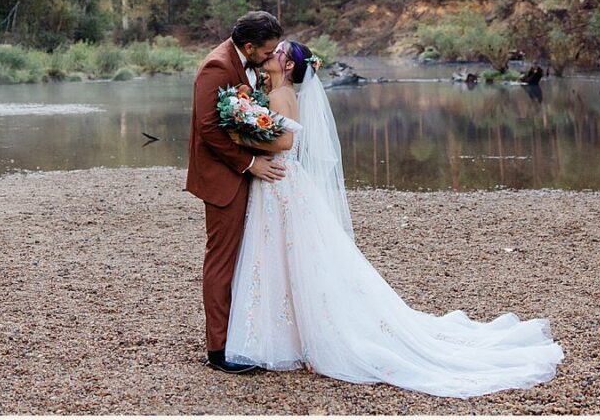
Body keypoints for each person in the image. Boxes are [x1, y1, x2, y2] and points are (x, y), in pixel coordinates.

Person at [224, 41, 564, 398]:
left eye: (277, 53)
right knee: (287, 255)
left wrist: (240, 138)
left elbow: (285, 141)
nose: (270, 55)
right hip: (283, 182)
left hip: (278, 180)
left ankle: (286, 336)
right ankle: (288, 332)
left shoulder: (280, 96)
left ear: (289, 66)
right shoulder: (278, 91)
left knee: (281, 253)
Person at [184, 10, 290, 374]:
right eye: (267, 51)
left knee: (248, 259)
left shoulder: (247, 63)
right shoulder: (216, 67)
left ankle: (242, 335)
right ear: (249, 46)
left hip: (244, 174)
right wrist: (250, 163)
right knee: (223, 261)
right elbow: (209, 129)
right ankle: (218, 351)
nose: (270, 57)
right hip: (223, 178)